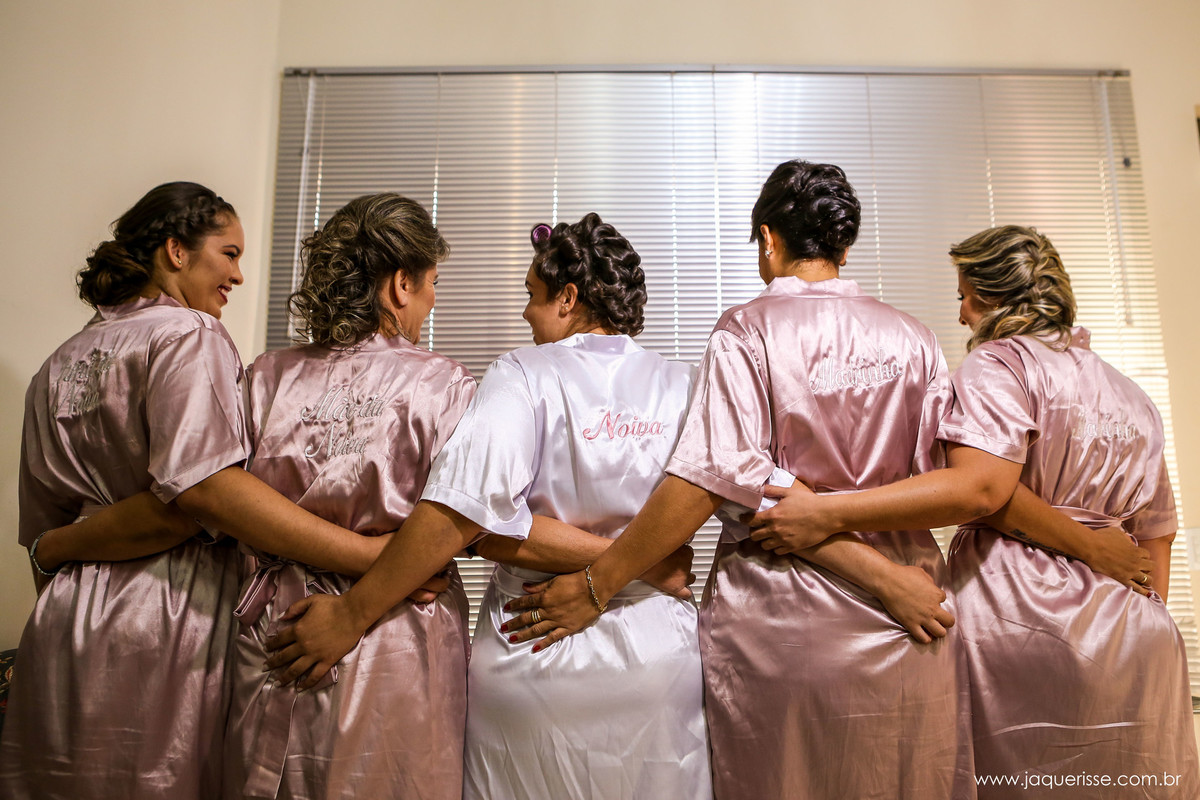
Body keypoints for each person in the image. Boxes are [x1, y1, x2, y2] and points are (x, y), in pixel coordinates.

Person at [508, 161, 978, 799]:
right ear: (843, 245)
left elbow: (722, 481)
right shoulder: (917, 339)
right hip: (914, 622)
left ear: (768, 239)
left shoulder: (748, 330)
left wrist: (598, 583)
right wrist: (885, 576)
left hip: (783, 627)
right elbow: (944, 486)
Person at [744, 225, 1200, 797]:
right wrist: (1147, 607)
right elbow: (1157, 534)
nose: (960, 314)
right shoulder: (1134, 396)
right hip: (1141, 637)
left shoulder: (999, 366)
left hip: (1025, 619)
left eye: (963, 294)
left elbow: (987, 490)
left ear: (990, 295)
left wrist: (827, 511)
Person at [264, 213, 709, 799]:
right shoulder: (687, 387)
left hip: (534, 660)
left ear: (568, 298)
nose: (525, 313)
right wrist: (643, 561)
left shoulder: (522, 373)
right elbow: (743, 496)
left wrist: (351, 614)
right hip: (657, 664)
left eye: (532, 295)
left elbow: (470, 519)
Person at [0, 182, 396, 800]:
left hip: (59, 620)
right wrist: (375, 558)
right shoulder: (188, 334)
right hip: (161, 610)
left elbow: (45, 537)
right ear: (176, 252)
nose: (238, 274)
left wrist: (59, 551)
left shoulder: (60, 362)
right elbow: (205, 496)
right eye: (229, 253)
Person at [223, 194, 475, 799]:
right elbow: (463, 523)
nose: (433, 301)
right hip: (397, 632)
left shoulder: (265, 376)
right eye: (432, 284)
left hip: (273, 631)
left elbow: (232, 510)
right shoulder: (443, 384)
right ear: (399, 286)